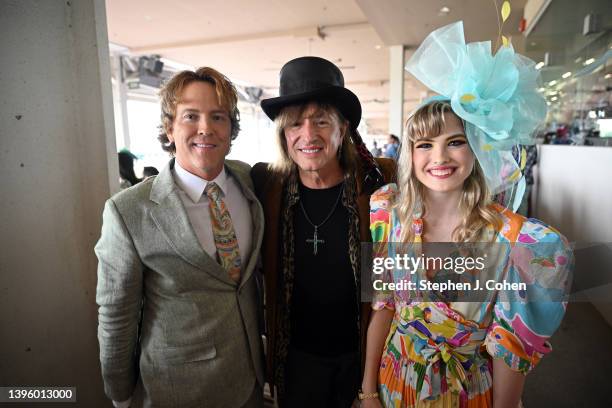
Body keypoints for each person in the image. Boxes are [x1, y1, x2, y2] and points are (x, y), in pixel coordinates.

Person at [360, 22, 572, 407]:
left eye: (455, 142)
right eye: (424, 144)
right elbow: (383, 304)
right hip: (392, 385)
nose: (438, 157)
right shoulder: (387, 212)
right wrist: (368, 391)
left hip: (468, 394)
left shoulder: (517, 242)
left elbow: (512, 354)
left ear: (477, 149)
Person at [95, 67, 265, 407]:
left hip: (249, 382)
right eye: (191, 115)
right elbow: (116, 313)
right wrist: (120, 395)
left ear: (231, 129)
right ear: (169, 128)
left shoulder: (250, 182)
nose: (206, 128)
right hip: (177, 389)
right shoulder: (129, 211)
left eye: (218, 116)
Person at [251, 56, 395, 407]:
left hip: (363, 356)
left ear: (343, 128)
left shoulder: (381, 182)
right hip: (296, 361)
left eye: (321, 121)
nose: (308, 135)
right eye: (295, 124)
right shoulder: (266, 185)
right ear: (284, 135)